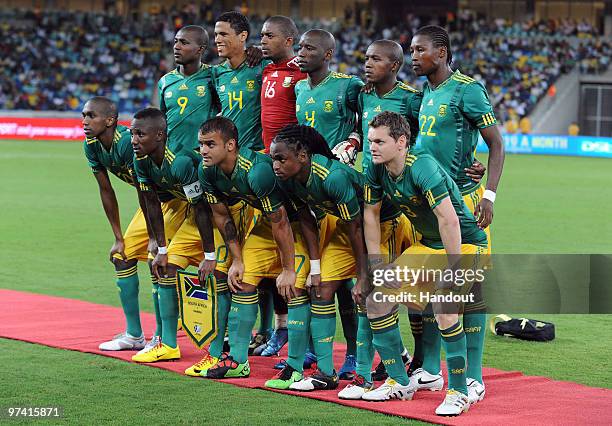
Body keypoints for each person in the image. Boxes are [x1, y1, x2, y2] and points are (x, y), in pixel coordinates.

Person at [363, 111, 488, 417]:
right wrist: (376, 264)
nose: (372, 147)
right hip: (428, 246)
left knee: (445, 307)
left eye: (379, 141)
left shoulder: (423, 167)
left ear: (401, 142)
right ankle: (400, 381)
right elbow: (370, 214)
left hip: (467, 244)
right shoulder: (376, 168)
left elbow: (449, 220)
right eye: (370, 141)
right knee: (377, 301)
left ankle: (459, 391)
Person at [410, 25, 505, 404]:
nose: (413, 56)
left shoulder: (468, 88)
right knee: (434, 287)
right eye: (411, 51)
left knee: (469, 291)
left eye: (419, 50)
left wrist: (490, 196)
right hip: (430, 204)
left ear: (443, 53)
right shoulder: (425, 93)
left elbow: (496, 144)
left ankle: (475, 378)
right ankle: (432, 371)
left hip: (465, 203)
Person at [197, 117, 310, 380]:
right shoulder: (207, 171)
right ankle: (237, 361)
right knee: (242, 282)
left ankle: (294, 366)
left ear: (230, 145)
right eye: (201, 144)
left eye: (210, 144)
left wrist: (288, 269)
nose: (203, 150)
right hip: (266, 225)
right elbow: (222, 217)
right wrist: (237, 260)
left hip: (299, 226)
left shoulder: (257, 170)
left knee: (295, 288)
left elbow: (281, 221)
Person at [270, 124, 371, 391]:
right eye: (273, 159)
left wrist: (362, 276)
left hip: (378, 229)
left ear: (302, 156)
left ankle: (380, 369)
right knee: (321, 288)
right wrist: (315, 267)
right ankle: (326, 374)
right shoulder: (291, 180)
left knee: (374, 296)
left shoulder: (332, 177)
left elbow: (358, 227)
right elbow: (306, 220)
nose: (276, 165)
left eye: (281, 159)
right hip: (346, 229)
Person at [82, 97, 186, 353]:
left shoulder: (130, 144)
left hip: (174, 201)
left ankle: (160, 338)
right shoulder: (91, 145)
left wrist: (154, 238)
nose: (84, 121)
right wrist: (118, 236)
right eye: (83, 115)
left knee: (157, 261)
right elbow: (106, 190)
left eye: (90, 116)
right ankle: (134, 334)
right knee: (122, 256)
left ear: (110, 120)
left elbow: (146, 191)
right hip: (151, 203)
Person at [294, 29, 364, 378]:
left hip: (339, 192)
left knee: (346, 284)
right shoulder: (299, 88)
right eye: (300, 46)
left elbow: (369, 123)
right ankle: (311, 350)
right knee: (311, 277)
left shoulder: (348, 86)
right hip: (309, 195)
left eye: (309, 47)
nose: (301, 51)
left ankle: (353, 354)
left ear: (329, 54)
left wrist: (353, 140)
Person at [129, 107, 216, 363]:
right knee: (164, 267)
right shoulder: (141, 159)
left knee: (227, 276)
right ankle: (167, 344)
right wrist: (162, 247)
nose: (133, 140)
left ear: (159, 135)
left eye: (140, 134)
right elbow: (151, 204)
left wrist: (209, 254)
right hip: (193, 212)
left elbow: (202, 206)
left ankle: (234, 345)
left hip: (219, 213)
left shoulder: (180, 161)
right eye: (132, 133)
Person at [252, 15, 308, 358]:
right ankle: (276, 328)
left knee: (296, 249)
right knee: (271, 251)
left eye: (269, 36)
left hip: (291, 172)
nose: (262, 40)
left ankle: (296, 332)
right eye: (261, 35)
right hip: (266, 164)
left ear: (289, 41)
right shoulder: (269, 71)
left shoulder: (301, 73)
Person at [158, 25, 219, 152]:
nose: (176, 47)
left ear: (200, 49)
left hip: (203, 154)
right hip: (172, 155)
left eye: (184, 43)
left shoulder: (214, 75)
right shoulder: (164, 81)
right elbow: (163, 120)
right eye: (176, 41)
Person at [212, 11, 267, 151]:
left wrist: (262, 50)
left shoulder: (262, 65)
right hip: (228, 154)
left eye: (223, 34)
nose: (217, 40)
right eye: (216, 34)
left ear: (243, 36)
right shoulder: (215, 73)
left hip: (257, 153)